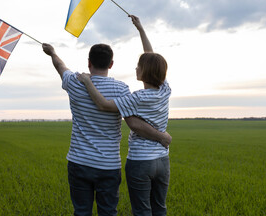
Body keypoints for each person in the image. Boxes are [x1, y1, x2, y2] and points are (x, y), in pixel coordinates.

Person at [42, 41, 171, 216]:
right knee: (109, 212)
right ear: (111, 64)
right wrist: (161, 136)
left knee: (81, 212)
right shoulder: (121, 89)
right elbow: (133, 122)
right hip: (109, 164)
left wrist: (52, 53)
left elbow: (60, 66)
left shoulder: (74, 81)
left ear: (89, 62)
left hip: (79, 161)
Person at [78, 15, 171, 216]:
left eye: (139, 66)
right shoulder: (165, 89)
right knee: (160, 208)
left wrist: (87, 82)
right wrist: (141, 30)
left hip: (140, 161)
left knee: (142, 211)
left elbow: (103, 105)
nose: (136, 68)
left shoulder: (135, 98)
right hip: (163, 160)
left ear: (145, 72)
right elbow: (152, 57)